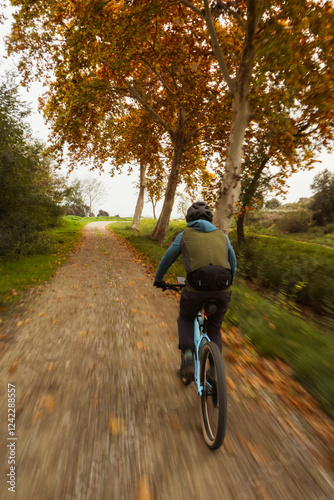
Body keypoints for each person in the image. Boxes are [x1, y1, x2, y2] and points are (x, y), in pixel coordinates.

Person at [154, 201, 237, 379]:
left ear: (189, 219)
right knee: (214, 329)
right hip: (224, 289)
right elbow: (233, 263)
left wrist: (159, 280)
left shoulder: (184, 234)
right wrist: (230, 283)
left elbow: (166, 259)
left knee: (186, 317)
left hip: (195, 290)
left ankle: (189, 358)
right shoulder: (223, 236)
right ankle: (215, 372)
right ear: (210, 218)